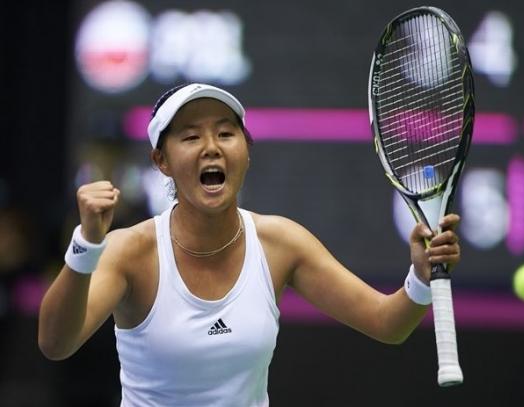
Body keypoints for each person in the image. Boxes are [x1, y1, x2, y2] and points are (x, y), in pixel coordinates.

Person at [38, 83, 462, 406]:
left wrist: (420, 277)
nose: (211, 148)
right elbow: (56, 344)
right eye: (189, 137)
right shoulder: (130, 250)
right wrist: (86, 244)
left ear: (247, 150)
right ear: (161, 161)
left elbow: (388, 324)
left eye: (226, 133)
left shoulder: (280, 242)